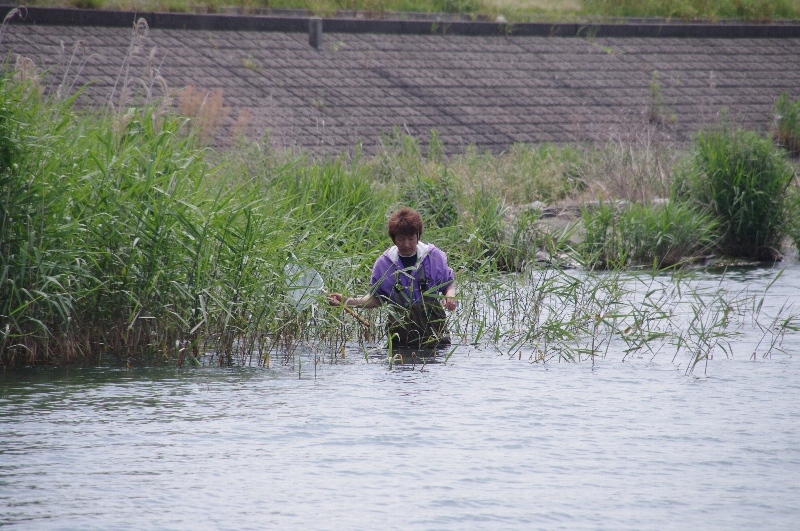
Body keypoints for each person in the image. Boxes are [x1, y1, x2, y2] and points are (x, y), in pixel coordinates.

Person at [328, 207, 457, 349]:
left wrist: (450, 296)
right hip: (400, 338)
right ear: (394, 238)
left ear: (418, 236)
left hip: (434, 335)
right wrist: (346, 301)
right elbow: (375, 299)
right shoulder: (384, 264)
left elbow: (448, 283)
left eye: (411, 238)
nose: (406, 244)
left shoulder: (433, 256)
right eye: (401, 239)